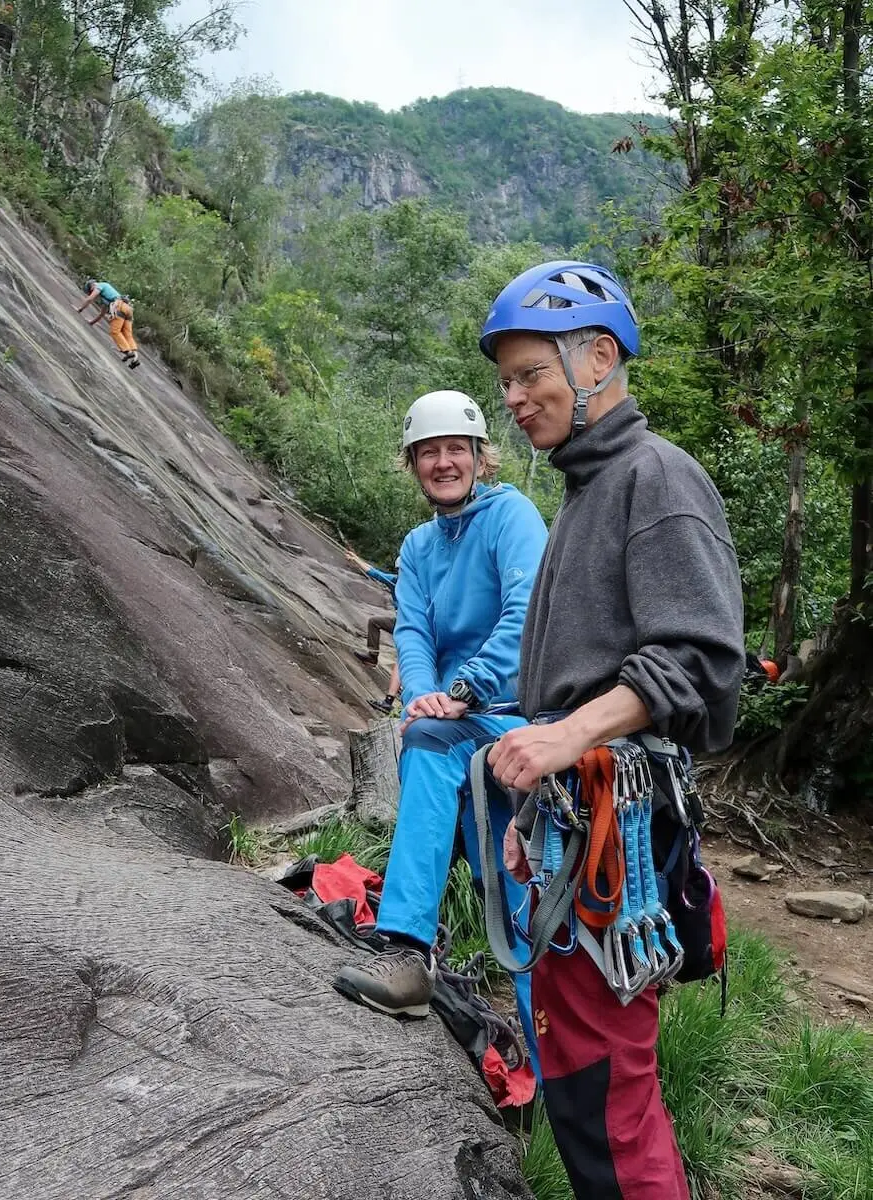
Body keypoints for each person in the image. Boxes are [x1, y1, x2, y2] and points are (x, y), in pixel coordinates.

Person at [478, 261, 745, 1199]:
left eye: (530, 375)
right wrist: (532, 806)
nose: (515, 399)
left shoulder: (655, 478)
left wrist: (563, 743)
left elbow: (701, 660)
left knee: (606, 1093)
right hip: (578, 823)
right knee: (584, 1083)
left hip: (614, 831)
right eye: (506, 382)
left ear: (598, 358)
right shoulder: (590, 490)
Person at [334, 389, 548, 1060]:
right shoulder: (420, 546)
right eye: (429, 453)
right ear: (414, 465)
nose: (444, 462)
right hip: (455, 725)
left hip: (514, 715)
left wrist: (464, 689)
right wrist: (423, 696)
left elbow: (526, 614)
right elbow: (414, 631)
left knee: (514, 887)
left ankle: (411, 954)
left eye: (456, 449)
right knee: (503, 881)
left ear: (481, 457)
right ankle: (410, 954)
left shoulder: (511, 517)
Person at [345, 548, 402, 713]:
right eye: (399, 571)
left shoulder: (414, 585)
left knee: (401, 660)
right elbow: (375, 573)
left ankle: (389, 701)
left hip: (412, 625)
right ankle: (372, 656)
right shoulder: (395, 581)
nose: (401, 573)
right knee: (375, 622)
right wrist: (356, 559)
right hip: (401, 622)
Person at [76, 279, 140, 369]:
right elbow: (102, 313)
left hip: (119, 306)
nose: (92, 293)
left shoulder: (99, 285)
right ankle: (135, 358)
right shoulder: (107, 295)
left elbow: (90, 299)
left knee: (115, 332)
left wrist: (80, 309)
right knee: (127, 334)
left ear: (92, 286)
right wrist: (91, 322)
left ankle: (128, 352)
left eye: (91, 291)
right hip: (128, 308)